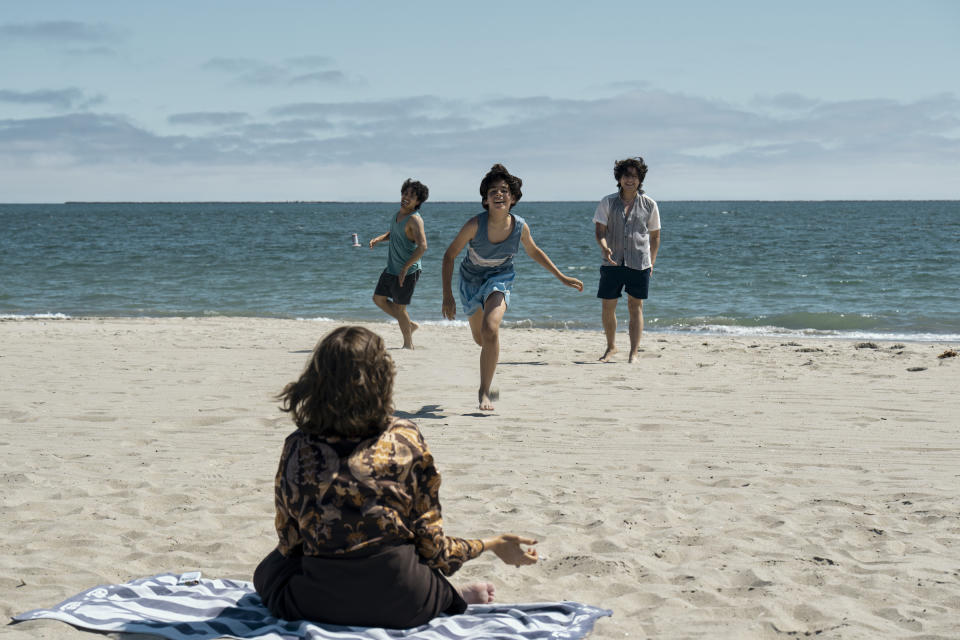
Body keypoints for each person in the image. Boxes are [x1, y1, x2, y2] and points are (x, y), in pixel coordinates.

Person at [253, 326, 539, 628]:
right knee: (411, 559)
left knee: (268, 570)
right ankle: (450, 596)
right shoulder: (405, 437)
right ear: (383, 379)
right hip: (404, 601)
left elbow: (289, 541)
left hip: (315, 602)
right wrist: (492, 543)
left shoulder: (298, 444)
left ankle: (445, 594)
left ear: (316, 381)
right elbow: (434, 549)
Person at [442, 163, 583, 411]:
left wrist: (561, 276)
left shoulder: (519, 227)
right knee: (480, 339)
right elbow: (449, 255)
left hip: (500, 277)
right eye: (493, 191)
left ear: (513, 198)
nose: (499, 194)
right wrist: (447, 296)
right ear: (485, 200)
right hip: (471, 280)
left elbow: (534, 251)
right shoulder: (474, 225)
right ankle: (488, 360)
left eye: (504, 190)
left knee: (491, 329)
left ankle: (484, 392)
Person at [593, 157, 661, 363]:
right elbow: (600, 231)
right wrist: (604, 247)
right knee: (608, 306)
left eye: (634, 176)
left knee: (635, 306)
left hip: (639, 262)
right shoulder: (607, 202)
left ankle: (634, 352)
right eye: (626, 176)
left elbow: (655, 236)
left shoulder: (650, 204)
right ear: (619, 178)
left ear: (640, 179)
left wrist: (652, 263)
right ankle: (611, 347)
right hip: (612, 263)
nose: (629, 180)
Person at [369, 179, 430, 349]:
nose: (406, 197)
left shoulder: (415, 220)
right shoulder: (398, 214)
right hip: (392, 268)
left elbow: (423, 246)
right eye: (405, 193)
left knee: (399, 308)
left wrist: (405, 267)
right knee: (378, 299)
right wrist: (380, 238)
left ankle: (408, 344)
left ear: (418, 201)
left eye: (411, 196)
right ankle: (409, 325)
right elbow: (395, 232)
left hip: (408, 271)